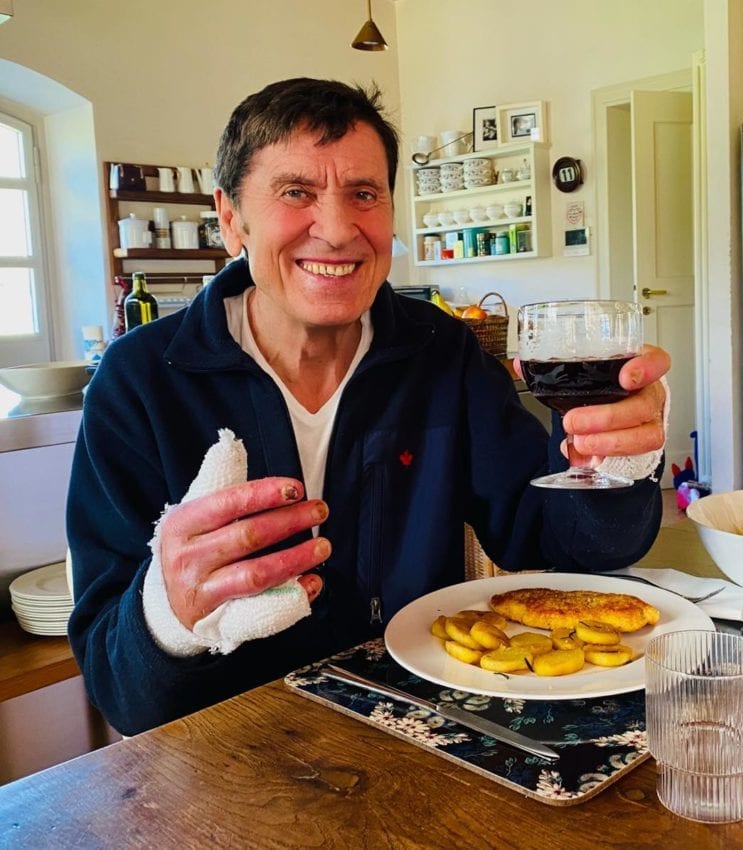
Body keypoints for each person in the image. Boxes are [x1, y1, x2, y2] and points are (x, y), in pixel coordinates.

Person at [67, 78, 670, 736]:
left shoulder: (442, 351)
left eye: (363, 194)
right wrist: (168, 613)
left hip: (425, 732)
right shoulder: (140, 381)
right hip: (231, 753)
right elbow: (120, 690)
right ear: (231, 216)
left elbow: (565, 543)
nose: (336, 230)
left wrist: (621, 460)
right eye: (295, 192)